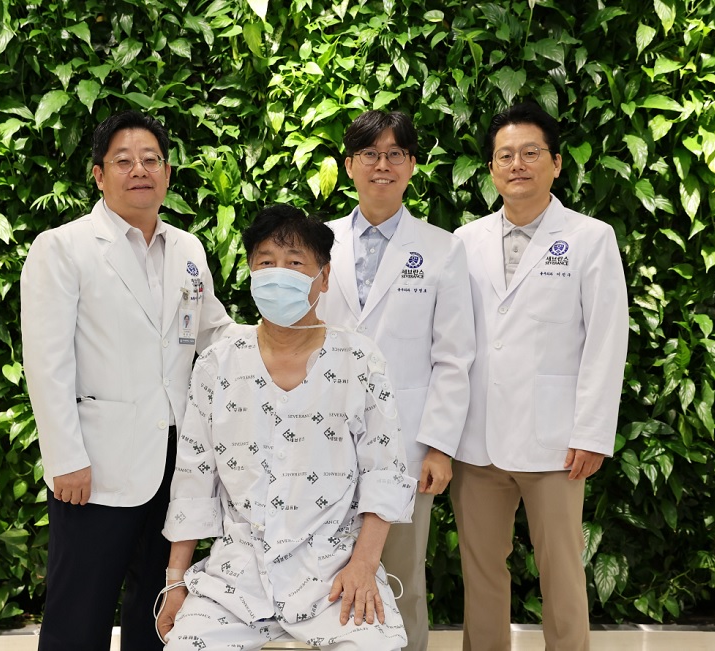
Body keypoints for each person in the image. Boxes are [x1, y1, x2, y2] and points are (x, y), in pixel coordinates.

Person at [20, 110, 238, 650]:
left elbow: (215, 334)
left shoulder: (188, 249)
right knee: (79, 611)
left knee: (158, 610)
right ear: (99, 175)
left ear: (167, 172)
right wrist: (64, 457)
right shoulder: (63, 247)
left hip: (175, 459)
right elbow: (46, 362)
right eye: (123, 160)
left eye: (151, 159)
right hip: (96, 465)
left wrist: (288, 338)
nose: (139, 169)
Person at [155, 205, 417, 651]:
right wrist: (176, 581)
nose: (279, 273)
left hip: (334, 571)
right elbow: (194, 478)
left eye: (295, 262)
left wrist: (363, 565)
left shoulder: (359, 360)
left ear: (323, 277)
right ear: (250, 272)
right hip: (236, 577)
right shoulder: (218, 363)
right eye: (266, 262)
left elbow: (385, 473)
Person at [451, 101, 629, 651]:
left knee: (562, 570)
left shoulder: (591, 237)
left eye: (531, 153)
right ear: (491, 169)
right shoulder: (464, 241)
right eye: (505, 155)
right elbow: (450, 342)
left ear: (556, 163)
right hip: (476, 440)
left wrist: (592, 433)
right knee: (481, 571)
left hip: (557, 443)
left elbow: (606, 340)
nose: (518, 164)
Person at [316, 110, 477, 651]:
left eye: (395, 154)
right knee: (325, 574)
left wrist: (439, 447)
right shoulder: (317, 241)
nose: (381, 165)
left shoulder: (442, 247)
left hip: (405, 445)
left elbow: (453, 357)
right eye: (369, 154)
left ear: (411, 166)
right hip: (323, 439)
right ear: (349, 165)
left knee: (402, 577)